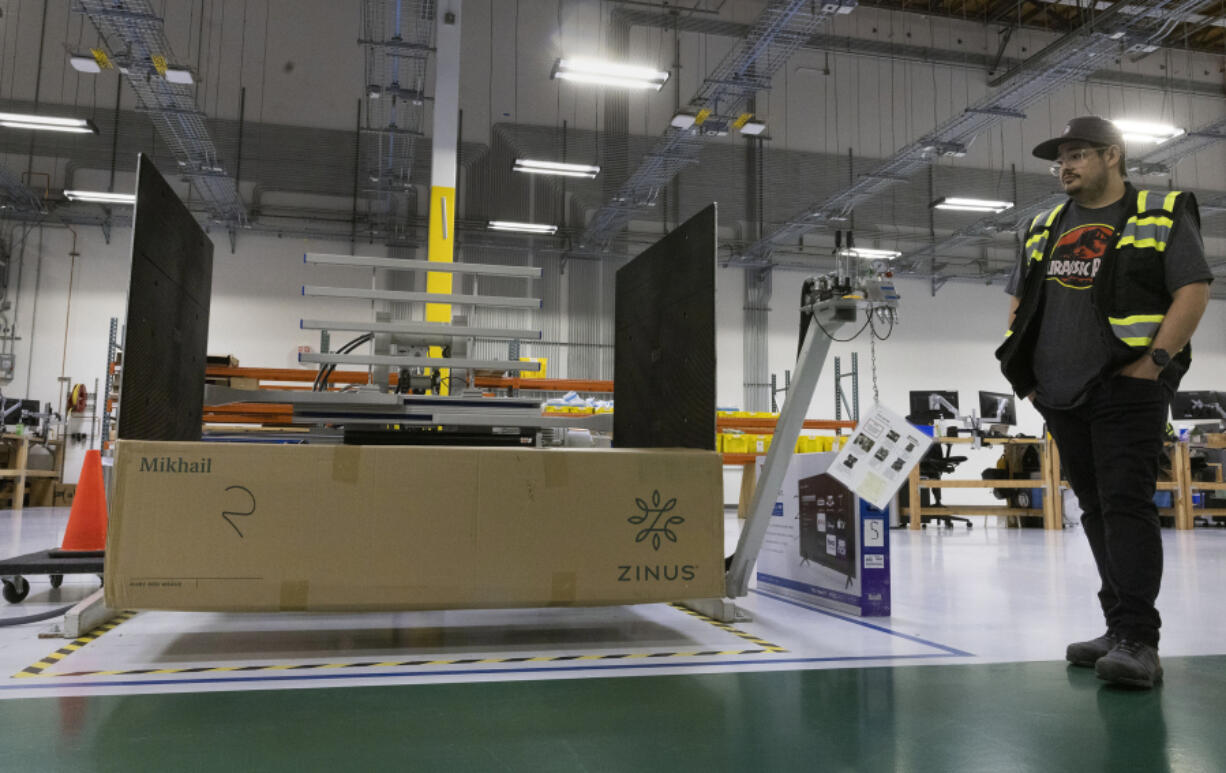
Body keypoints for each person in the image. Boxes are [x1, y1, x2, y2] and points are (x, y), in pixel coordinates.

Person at [996, 116, 1212, 689]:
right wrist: (1028, 373)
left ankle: (1140, 640)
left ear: (1112, 156)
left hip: (1127, 385)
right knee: (1095, 510)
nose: (1064, 166)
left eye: (1077, 155)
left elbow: (1192, 289)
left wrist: (1154, 365)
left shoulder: (1160, 213)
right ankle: (1118, 629)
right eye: (1060, 158)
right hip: (1059, 394)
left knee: (1126, 506)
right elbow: (1019, 301)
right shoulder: (1043, 223)